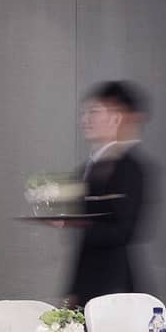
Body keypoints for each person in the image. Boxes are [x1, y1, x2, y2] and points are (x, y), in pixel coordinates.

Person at [66, 81, 149, 305]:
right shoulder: (87, 168)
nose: (85, 121)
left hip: (115, 286)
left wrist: (76, 223)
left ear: (116, 118)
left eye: (94, 112)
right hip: (86, 282)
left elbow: (124, 232)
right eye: (84, 114)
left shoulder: (130, 168)